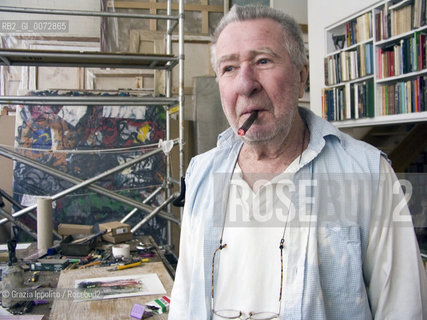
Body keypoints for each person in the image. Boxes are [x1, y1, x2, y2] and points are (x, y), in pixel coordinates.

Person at [169, 5, 427, 320]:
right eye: (229, 68)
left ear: (301, 76)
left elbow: (403, 308)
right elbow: (184, 298)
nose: (245, 84)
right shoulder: (201, 173)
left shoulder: (369, 174)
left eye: (263, 61)